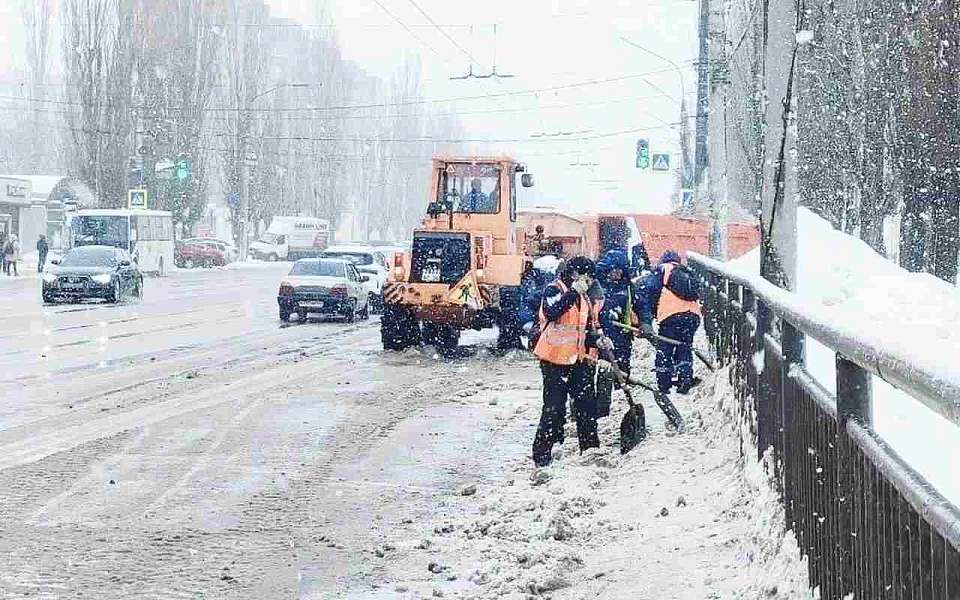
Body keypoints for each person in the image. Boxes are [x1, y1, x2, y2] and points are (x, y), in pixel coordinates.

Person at [531, 256, 611, 467]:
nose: (591, 282)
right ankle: (543, 455)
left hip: (578, 360)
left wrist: (598, 341)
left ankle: (590, 449)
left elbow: (580, 331)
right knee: (554, 407)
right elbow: (552, 312)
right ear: (575, 274)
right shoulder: (554, 289)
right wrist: (573, 291)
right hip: (553, 360)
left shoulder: (584, 299)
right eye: (588, 277)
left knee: (586, 404)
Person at [637, 250, 702, 394]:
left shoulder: (662, 269)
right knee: (684, 346)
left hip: (671, 316)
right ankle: (685, 378)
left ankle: (664, 383)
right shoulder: (686, 272)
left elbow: (647, 291)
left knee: (665, 348)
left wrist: (647, 319)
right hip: (693, 316)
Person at [595, 249, 641, 417]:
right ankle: (602, 411)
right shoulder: (596, 285)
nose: (617, 273)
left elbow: (640, 305)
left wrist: (646, 323)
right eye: (614, 269)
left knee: (622, 372)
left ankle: (621, 409)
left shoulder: (627, 287)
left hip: (622, 338)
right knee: (604, 373)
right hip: (600, 339)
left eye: (620, 269)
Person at [519, 254, 560, 348]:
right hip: (532, 320)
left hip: (533, 319)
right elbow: (530, 301)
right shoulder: (536, 284)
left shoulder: (533, 282)